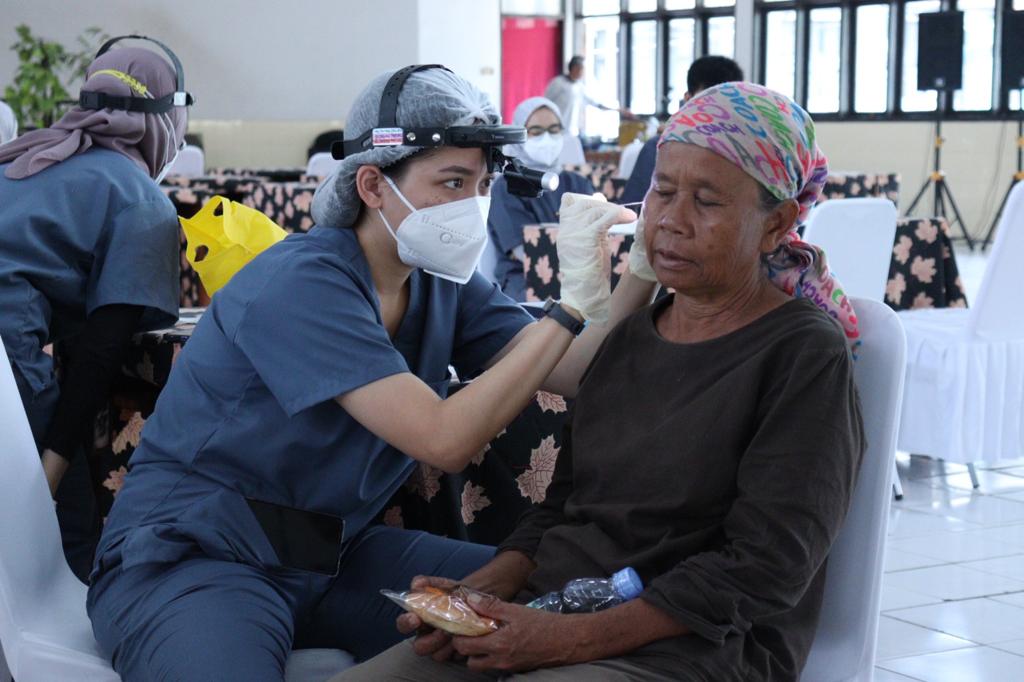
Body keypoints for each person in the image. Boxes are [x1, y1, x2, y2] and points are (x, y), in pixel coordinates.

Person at [86, 65, 657, 682]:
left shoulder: (440, 284)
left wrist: (646, 264)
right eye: (452, 181)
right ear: (373, 185)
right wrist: (569, 307)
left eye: (484, 184)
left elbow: (575, 367)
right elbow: (443, 437)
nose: (473, 206)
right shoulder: (301, 284)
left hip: (334, 557)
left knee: (544, 605)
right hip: (196, 557)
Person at [334, 81, 865, 682]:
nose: (670, 220)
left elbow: (765, 567)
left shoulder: (800, 355)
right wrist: (479, 593)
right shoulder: (633, 336)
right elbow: (562, 507)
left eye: (708, 202)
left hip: (696, 646)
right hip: (558, 609)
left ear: (778, 224)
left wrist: (568, 640)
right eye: (662, 191)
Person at [0, 41, 188, 581]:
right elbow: (103, 351)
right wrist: (53, 470)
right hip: (8, 359)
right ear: (168, 118)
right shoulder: (140, 200)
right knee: (72, 533)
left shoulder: (30, 156)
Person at [487, 97, 596, 300]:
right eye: (536, 132)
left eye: (554, 130)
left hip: (580, 278)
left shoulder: (576, 182)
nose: (547, 138)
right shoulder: (507, 187)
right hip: (526, 281)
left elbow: (599, 234)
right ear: (520, 135)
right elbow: (523, 251)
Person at [620, 55, 743, 205]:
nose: (714, 113)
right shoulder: (662, 147)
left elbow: (633, 211)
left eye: (721, 104)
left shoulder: (663, 146)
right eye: (707, 104)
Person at [543, 56, 631, 140]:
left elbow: (596, 103)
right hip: (555, 132)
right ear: (575, 68)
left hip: (571, 133)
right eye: (582, 69)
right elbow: (545, 103)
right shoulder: (558, 83)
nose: (583, 72)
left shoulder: (580, 87)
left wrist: (619, 110)